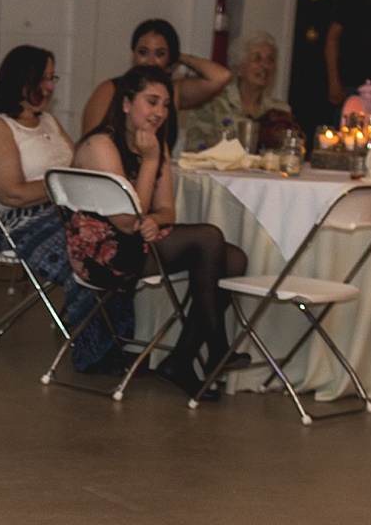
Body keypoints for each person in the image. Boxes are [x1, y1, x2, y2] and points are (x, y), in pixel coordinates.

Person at [74, 66, 251, 401]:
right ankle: (215, 348)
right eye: (151, 102)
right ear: (126, 103)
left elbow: (167, 210)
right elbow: (126, 220)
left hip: (134, 241)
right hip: (100, 254)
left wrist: (155, 219)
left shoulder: (155, 144)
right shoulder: (101, 145)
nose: (159, 113)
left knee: (233, 258)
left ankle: (182, 359)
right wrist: (151, 160)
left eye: (166, 105)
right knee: (209, 238)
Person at [0, 47, 110, 368]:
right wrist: (64, 186)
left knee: (119, 236)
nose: (50, 86)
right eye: (43, 78)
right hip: (24, 222)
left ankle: (118, 337)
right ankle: (96, 345)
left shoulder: (48, 121)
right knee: (93, 248)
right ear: (21, 80)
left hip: (67, 211)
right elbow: (12, 193)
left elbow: (79, 165)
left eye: (52, 78)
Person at [79, 19, 231, 153]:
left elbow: (221, 77)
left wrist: (180, 57)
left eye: (160, 54)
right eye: (143, 52)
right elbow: (89, 146)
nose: (150, 62)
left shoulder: (174, 91)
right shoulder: (109, 90)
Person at [185, 30, 301, 151]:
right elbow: (194, 150)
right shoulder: (212, 104)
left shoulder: (280, 112)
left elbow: (291, 152)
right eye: (257, 58)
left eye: (270, 59)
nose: (265, 66)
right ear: (238, 68)